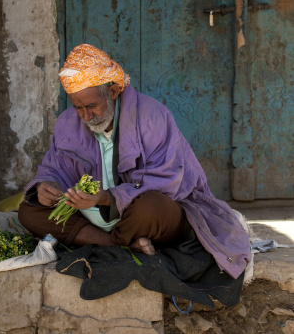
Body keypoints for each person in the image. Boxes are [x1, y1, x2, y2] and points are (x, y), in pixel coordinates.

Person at [18, 43, 251, 280]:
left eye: (91, 106)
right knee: (29, 211)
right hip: (92, 215)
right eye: (78, 107)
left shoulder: (152, 117)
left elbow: (166, 180)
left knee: (151, 209)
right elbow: (53, 168)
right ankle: (118, 244)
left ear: (112, 91)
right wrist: (46, 185)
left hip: (142, 214)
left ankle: (119, 240)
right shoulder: (67, 123)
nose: (85, 116)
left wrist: (106, 198)